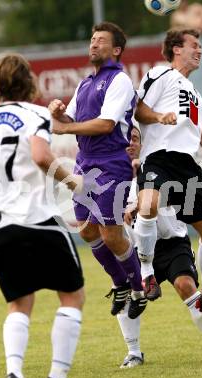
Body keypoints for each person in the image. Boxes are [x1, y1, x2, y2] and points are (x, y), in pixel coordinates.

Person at [0, 53, 85, 378]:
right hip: (38, 218)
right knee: (72, 296)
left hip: (0, 223)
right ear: (29, 81)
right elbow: (40, 155)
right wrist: (73, 183)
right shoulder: (35, 114)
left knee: (19, 302)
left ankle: (14, 374)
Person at [133, 28, 202, 334]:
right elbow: (138, 109)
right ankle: (147, 271)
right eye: (194, 45)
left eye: (200, 46)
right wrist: (160, 117)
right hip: (158, 157)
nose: (199, 50)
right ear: (176, 49)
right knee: (148, 203)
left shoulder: (196, 94)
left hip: (187, 164)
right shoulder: (159, 74)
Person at [48, 22, 147, 320]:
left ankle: (139, 288)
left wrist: (65, 126)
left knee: (111, 233)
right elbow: (72, 118)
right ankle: (120, 284)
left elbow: (106, 125)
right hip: (85, 161)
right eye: (92, 39)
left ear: (116, 50)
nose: (93, 44)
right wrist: (58, 113)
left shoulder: (120, 81)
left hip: (111, 162)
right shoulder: (85, 83)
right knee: (87, 229)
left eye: (100, 40)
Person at [117, 182, 202, 368]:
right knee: (124, 293)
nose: (129, 150)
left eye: (133, 149)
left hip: (172, 244)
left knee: (186, 286)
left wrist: (138, 205)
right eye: (125, 149)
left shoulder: (159, 163)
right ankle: (133, 353)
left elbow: (176, 195)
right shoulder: (117, 173)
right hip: (137, 249)